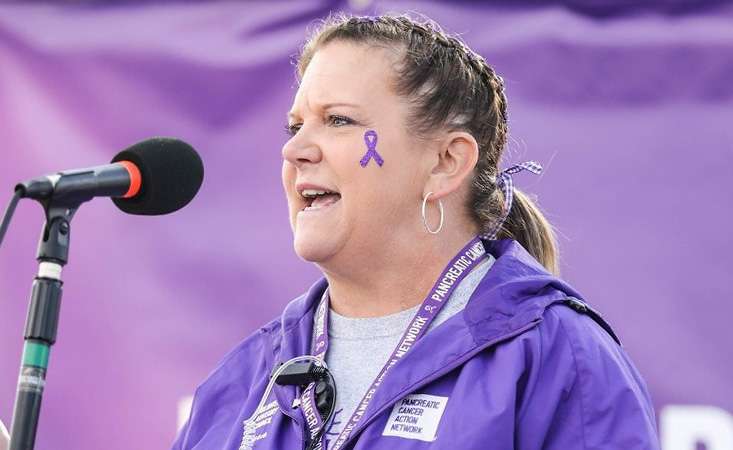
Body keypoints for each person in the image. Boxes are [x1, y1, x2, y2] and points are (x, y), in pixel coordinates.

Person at [173, 14, 660, 450]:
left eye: (338, 120)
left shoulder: (555, 356)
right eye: (294, 126)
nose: (295, 150)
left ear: (446, 162)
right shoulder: (245, 378)